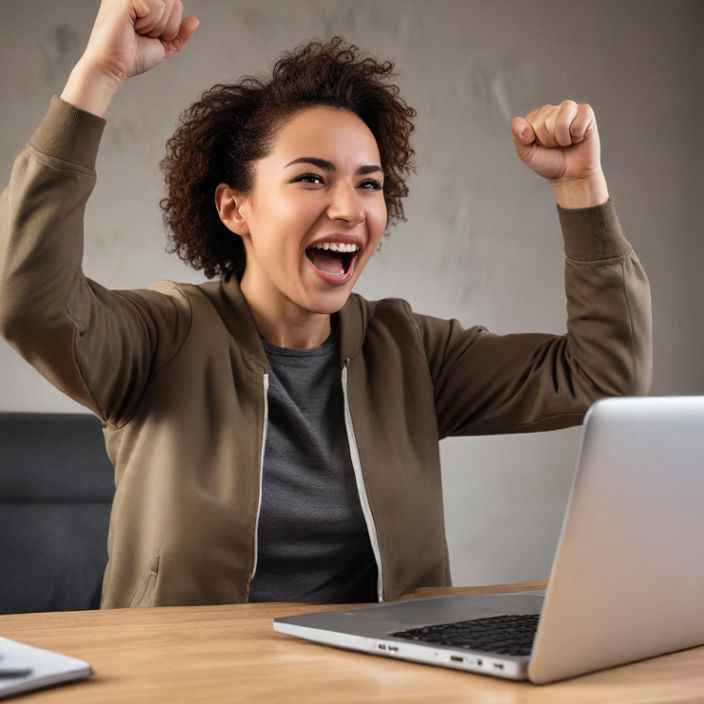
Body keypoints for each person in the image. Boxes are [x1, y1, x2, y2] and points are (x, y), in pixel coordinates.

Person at [0, 0, 651, 608]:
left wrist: (580, 187)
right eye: (311, 177)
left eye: (368, 184)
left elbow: (602, 375)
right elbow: (28, 298)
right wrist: (99, 74)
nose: (348, 207)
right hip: (189, 684)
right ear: (235, 207)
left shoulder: (409, 352)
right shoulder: (161, 337)